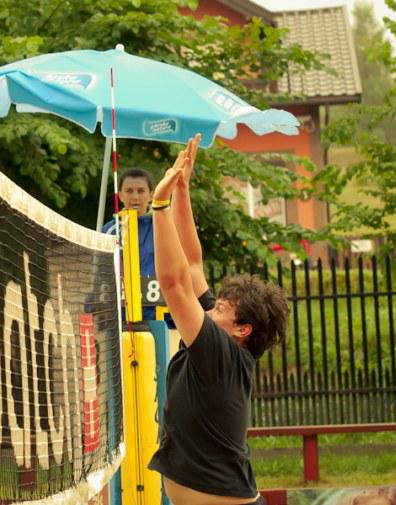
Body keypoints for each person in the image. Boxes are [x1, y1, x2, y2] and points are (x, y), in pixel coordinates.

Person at [147, 135, 289, 505]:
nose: (211, 309)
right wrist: (182, 190)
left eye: (221, 308)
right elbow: (192, 263)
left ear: (242, 329)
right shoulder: (223, 341)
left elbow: (174, 283)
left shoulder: (219, 351)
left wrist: (159, 205)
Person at [101, 167, 159, 322]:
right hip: (119, 316)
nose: (135, 197)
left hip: (157, 315)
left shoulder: (162, 227)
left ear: (151, 195)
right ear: (120, 195)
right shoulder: (109, 230)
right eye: (129, 191)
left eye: (141, 191)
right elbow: (100, 272)